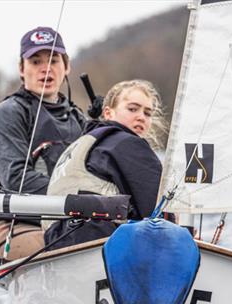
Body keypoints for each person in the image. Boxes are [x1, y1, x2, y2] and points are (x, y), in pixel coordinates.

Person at [0, 26, 86, 275]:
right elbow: (16, 179)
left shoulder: (79, 120)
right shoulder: (9, 113)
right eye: (36, 61)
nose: (45, 68)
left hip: (65, 223)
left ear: (66, 66)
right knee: (84, 244)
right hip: (7, 229)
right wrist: (81, 195)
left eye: (53, 60)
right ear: (21, 69)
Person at [43, 79, 168, 250]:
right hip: (94, 238)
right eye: (132, 109)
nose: (141, 117)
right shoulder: (126, 143)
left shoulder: (84, 142)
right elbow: (158, 210)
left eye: (147, 113)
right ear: (108, 113)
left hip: (55, 241)